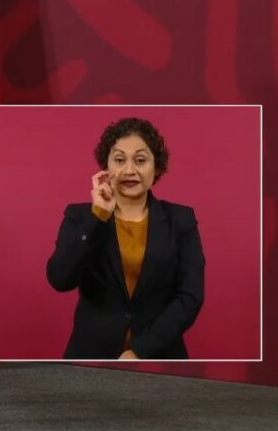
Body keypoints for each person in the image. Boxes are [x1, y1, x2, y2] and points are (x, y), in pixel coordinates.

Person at [46, 117, 205, 359]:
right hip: (90, 355)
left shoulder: (181, 220)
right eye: (119, 160)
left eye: (140, 160)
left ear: (157, 167)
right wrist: (98, 216)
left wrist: (140, 351)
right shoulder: (80, 216)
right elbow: (60, 279)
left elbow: (190, 296)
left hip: (159, 356)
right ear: (106, 167)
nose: (129, 170)